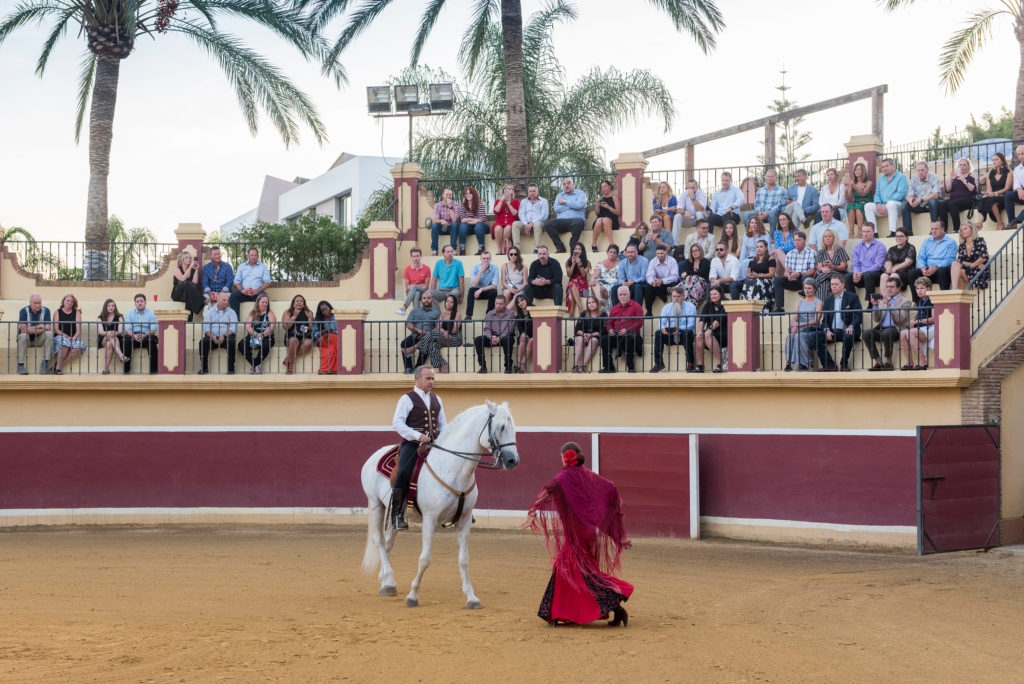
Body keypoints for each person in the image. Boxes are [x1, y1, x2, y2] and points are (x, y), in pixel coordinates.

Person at [525, 441, 632, 627]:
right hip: (588, 532)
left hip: (577, 534)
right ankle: (562, 613)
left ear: (565, 457)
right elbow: (610, 487)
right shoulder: (588, 475)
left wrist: (533, 511)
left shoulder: (563, 477)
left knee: (578, 571)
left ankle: (615, 603)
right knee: (574, 569)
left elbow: (546, 491)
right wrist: (613, 506)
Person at [390, 364, 447, 530]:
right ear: (417, 379)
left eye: (433, 378)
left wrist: (444, 439)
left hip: (434, 444)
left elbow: (442, 423)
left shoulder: (437, 399)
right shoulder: (407, 398)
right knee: (404, 471)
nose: (431, 382)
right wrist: (417, 436)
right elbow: (397, 423)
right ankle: (397, 515)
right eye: (428, 378)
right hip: (413, 444)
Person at [815, 274, 861, 372]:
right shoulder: (828, 300)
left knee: (848, 335)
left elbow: (858, 315)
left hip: (847, 330)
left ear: (843, 284)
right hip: (832, 332)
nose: (833, 286)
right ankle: (829, 365)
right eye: (832, 284)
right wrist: (826, 330)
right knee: (813, 336)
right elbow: (825, 320)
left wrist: (851, 326)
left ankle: (844, 364)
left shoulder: (852, 297)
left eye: (836, 284)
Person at [864, 277, 911, 370]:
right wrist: (875, 305)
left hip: (896, 329)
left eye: (892, 287)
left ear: (898, 288)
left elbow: (900, 318)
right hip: (882, 328)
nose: (889, 289)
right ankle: (878, 361)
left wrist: (889, 305)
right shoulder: (883, 301)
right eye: (888, 287)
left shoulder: (905, 301)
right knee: (866, 333)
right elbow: (876, 319)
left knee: (887, 332)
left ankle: (888, 362)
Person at [649, 287, 696, 372]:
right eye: (674, 296)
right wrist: (662, 329)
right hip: (671, 334)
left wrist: (680, 329)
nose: (676, 299)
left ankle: (690, 364)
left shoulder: (691, 307)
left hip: (683, 334)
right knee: (658, 333)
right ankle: (658, 363)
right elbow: (661, 322)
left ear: (683, 296)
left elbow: (691, 324)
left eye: (678, 296)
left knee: (687, 332)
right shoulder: (666, 307)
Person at [908, 220, 957, 301]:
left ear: (943, 229)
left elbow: (949, 259)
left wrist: (936, 268)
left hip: (940, 270)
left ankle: (945, 300)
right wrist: (922, 268)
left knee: (943, 271)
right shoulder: (926, 241)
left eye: (936, 229)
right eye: (932, 229)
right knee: (912, 273)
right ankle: (917, 302)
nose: (933, 231)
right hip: (927, 270)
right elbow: (921, 257)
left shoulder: (951, 242)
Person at [600, 285, 643, 373]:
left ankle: (631, 367)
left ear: (629, 295)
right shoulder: (614, 309)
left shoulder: (636, 306)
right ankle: (609, 366)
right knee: (604, 339)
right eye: (620, 295)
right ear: (618, 296)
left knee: (629, 338)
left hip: (631, 336)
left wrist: (627, 330)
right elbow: (609, 323)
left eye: (624, 294)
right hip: (617, 335)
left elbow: (639, 322)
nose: (622, 297)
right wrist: (610, 330)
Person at [782, 278, 821, 371]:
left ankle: (805, 363)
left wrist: (800, 325)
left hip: (811, 328)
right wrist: (794, 326)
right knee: (791, 336)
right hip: (800, 328)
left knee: (799, 336)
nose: (806, 290)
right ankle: (789, 363)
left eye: (809, 288)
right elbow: (794, 317)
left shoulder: (818, 302)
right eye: (805, 288)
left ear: (814, 289)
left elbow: (816, 320)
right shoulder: (799, 302)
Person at [417, 293, 462, 374]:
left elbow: (454, 331)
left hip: (455, 338)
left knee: (434, 334)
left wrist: (443, 331)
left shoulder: (457, 314)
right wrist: (428, 333)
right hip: (445, 338)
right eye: (447, 301)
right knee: (432, 345)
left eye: (451, 302)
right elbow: (438, 328)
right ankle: (443, 365)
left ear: (454, 304)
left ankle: (416, 346)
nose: (448, 303)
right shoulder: (442, 314)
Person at [772, 230, 816, 311]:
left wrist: (799, 273)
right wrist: (788, 275)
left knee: (806, 277)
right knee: (777, 279)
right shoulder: (790, 254)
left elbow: (812, 271)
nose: (796, 242)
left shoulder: (812, 253)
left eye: (799, 240)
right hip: (793, 280)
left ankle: (806, 298)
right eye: (795, 240)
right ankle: (780, 308)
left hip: (805, 280)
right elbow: (786, 271)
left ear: (804, 241)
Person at [865, 158, 908, 235]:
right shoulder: (880, 179)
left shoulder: (901, 177)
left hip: (897, 206)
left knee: (891, 204)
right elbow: (877, 194)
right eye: (883, 167)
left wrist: (886, 204)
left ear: (893, 165)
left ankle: (893, 232)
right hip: (882, 207)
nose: (884, 168)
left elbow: (901, 194)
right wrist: (878, 204)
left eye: (886, 166)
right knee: (868, 206)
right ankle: (874, 233)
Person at [473, 294, 515, 373]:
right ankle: (483, 367)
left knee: (509, 339)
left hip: (505, 337)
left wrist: (500, 338)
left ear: (505, 304)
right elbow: (487, 329)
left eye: (501, 304)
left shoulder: (510, 314)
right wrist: (491, 337)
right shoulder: (490, 314)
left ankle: (508, 367)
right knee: (478, 340)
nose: (498, 306)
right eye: (497, 303)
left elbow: (510, 329)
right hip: (492, 337)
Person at [845, 223, 886, 303]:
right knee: (848, 277)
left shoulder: (880, 246)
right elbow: (855, 264)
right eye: (863, 231)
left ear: (873, 232)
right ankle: (852, 303)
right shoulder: (856, 247)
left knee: (868, 275)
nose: (865, 234)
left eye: (868, 231)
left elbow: (878, 265)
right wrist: (856, 273)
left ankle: (870, 303)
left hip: (876, 274)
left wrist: (862, 273)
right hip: (861, 276)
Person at [198, 292, 238, 375]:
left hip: (226, 337)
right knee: (203, 343)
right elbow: (206, 328)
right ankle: (204, 368)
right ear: (217, 300)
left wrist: (223, 336)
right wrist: (213, 337)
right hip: (212, 338)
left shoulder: (232, 312)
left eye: (227, 300)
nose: (226, 302)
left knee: (232, 342)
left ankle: (231, 369)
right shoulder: (209, 312)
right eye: (224, 300)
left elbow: (233, 327)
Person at [544, 177, 587, 253]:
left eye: (568, 183)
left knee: (578, 223)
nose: (566, 185)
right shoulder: (559, 195)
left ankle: (573, 246)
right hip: (562, 222)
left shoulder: (580, 193)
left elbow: (580, 205)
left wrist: (565, 201)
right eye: (564, 184)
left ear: (573, 184)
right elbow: (556, 208)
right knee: (548, 224)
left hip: (575, 221)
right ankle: (560, 247)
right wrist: (572, 206)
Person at [401, 290, 440, 374]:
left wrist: (426, 334)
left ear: (432, 299)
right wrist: (418, 330)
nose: (426, 300)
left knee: (427, 344)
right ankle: (408, 368)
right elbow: (408, 324)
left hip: (429, 336)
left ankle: (417, 368)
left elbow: (437, 327)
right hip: (416, 335)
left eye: (428, 298)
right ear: (421, 300)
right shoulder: (415, 311)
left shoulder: (436, 313)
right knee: (404, 343)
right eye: (424, 298)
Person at [900, 277, 934, 370]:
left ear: (929, 288)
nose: (919, 291)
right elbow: (919, 315)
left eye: (922, 288)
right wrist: (913, 321)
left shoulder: (933, 299)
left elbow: (933, 319)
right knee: (903, 333)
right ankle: (909, 362)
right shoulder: (920, 301)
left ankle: (923, 362)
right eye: (917, 288)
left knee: (910, 333)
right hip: (923, 327)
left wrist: (918, 321)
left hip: (933, 327)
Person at [901, 161, 942, 235]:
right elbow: (909, 195)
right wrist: (910, 201)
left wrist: (921, 200)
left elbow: (935, 194)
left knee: (932, 201)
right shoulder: (914, 179)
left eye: (922, 170)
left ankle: (934, 230)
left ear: (927, 170)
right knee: (904, 204)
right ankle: (908, 232)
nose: (920, 172)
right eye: (918, 170)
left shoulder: (934, 177)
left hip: (932, 205)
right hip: (920, 205)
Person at [122, 292, 159, 375]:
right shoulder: (130, 314)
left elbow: (153, 329)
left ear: (145, 302)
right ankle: (126, 370)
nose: (139, 303)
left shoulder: (151, 313)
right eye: (137, 301)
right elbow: (127, 329)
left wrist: (144, 335)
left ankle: (153, 370)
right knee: (127, 340)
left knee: (152, 342)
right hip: (133, 335)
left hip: (146, 335)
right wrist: (134, 335)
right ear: (135, 303)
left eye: (141, 301)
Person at [239, 292, 275, 374]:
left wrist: (262, 335)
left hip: (266, 337)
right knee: (241, 344)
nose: (265, 304)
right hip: (253, 336)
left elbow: (272, 326)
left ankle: (255, 367)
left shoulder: (270, 313)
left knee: (266, 344)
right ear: (258, 303)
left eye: (266, 302)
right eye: (263, 302)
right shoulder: (252, 313)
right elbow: (248, 326)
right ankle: (256, 365)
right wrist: (256, 334)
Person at [16, 293, 53, 375]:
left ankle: (45, 364)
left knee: (49, 334)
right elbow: (23, 329)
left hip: (39, 339)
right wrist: (39, 326)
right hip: (27, 339)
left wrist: (29, 329)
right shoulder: (23, 311)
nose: (38, 305)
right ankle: (20, 365)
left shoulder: (46, 310)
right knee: (22, 336)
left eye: (39, 303)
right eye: (35, 303)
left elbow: (48, 328)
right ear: (30, 302)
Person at [229, 247, 271, 316]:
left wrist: (257, 291)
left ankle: (261, 320)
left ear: (258, 256)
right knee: (234, 295)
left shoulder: (263, 267)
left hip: (257, 293)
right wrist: (242, 289)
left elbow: (267, 282)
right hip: (244, 293)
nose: (253, 257)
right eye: (251, 255)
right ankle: (236, 320)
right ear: (248, 256)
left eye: (255, 255)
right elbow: (237, 281)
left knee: (264, 297)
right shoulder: (242, 266)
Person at [51, 293, 86, 375]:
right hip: (60, 336)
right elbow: (56, 329)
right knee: (65, 344)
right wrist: (66, 336)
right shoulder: (57, 312)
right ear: (63, 301)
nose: (69, 303)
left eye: (72, 301)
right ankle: (58, 369)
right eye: (68, 300)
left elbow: (78, 329)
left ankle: (56, 366)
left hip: (72, 337)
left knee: (79, 348)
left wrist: (74, 337)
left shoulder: (77, 312)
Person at [694, 285, 727, 372]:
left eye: (715, 294)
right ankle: (700, 365)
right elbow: (702, 319)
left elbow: (720, 319)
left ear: (721, 294)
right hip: (711, 332)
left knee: (708, 335)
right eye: (711, 294)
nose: (713, 296)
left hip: (724, 333)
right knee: (698, 337)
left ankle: (720, 364)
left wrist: (709, 329)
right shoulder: (708, 304)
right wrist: (700, 331)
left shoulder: (726, 303)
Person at [950, 218, 989, 289]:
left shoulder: (979, 241)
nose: (962, 231)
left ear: (972, 230)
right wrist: (969, 264)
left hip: (978, 270)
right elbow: (960, 261)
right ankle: (955, 288)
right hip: (968, 270)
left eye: (965, 229)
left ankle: (958, 292)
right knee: (955, 264)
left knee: (960, 271)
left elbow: (983, 257)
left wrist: (971, 265)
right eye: (961, 230)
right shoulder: (962, 245)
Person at [281, 294, 314, 374]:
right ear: (293, 303)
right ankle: (290, 366)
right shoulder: (288, 312)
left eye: (301, 301)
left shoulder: (308, 312)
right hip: (292, 334)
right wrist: (294, 316)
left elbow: (312, 328)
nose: (299, 303)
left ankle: (288, 358)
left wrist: (309, 318)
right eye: (297, 301)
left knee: (309, 343)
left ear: (304, 303)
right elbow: (285, 327)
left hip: (305, 334)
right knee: (293, 341)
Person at [813, 228, 849, 301]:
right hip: (826, 277)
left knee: (829, 271)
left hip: (840, 275)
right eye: (825, 237)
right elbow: (819, 268)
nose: (827, 238)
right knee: (824, 284)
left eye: (829, 236)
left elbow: (844, 267)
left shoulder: (840, 250)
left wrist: (832, 266)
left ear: (834, 238)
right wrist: (823, 269)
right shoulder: (821, 252)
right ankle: (824, 309)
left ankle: (812, 286)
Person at [737, 215, 771, 292]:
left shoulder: (765, 234)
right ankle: (743, 283)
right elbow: (743, 251)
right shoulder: (746, 235)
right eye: (752, 223)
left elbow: (768, 249)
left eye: (756, 223)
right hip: (750, 258)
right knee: (743, 263)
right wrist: (739, 263)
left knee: (749, 263)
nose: (754, 225)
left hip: (761, 257)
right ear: (749, 224)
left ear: (759, 224)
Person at [571, 295, 604, 372]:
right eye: (589, 303)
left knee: (593, 340)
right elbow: (576, 329)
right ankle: (575, 365)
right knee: (579, 338)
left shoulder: (603, 314)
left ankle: (583, 366)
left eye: (593, 302)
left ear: (597, 303)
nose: (591, 304)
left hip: (595, 337)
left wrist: (591, 335)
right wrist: (584, 335)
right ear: (587, 305)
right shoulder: (583, 314)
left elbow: (603, 330)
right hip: (583, 336)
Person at [740, 239, 776, 309]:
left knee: (757, 282)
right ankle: (748, 308)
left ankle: (762, 308)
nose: (758, 249)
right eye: (757, 247)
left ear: (765, 248)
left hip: (766, 280)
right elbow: (748, 273)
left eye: (761, 247)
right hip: (754, 279)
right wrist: (749, 275)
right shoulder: (753, 260)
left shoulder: (770, 259)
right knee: (746, 282)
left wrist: (759, 275)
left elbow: (772, 274)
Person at [944, 157, 977, 232]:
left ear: (968, 166)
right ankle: (944, 229)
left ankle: (957, 228)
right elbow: (947, 190)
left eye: (964, 165)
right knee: (941, 204)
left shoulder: (971, 176)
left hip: (967, 200)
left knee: (952, 203)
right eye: (960, 165)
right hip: (954, 200)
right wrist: (950, 178)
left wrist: (963, 180)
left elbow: (973, 190)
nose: (962, 167)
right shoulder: (955, 177)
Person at [644, 245, 679, 316]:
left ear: (666, 252)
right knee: (648, 287)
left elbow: (675, 277)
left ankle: (673, 311)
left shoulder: (672, 261)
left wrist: (662, 281)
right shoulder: (653, 261)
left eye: (661, 253)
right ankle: (649, 311)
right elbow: (649, 275)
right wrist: (652, 282)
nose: (659, 255)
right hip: (657, 283)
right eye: (657, 253)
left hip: (669, 283)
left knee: (673, 285)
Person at [979, 152, 1010, 229]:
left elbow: (1007, 188)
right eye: (993, 160)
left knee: (992, 200)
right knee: (983, 199)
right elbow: (990, 190)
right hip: (993, 196)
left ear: (1002, 161)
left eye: (996, 159)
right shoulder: (991, 174)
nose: (994, 161)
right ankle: (980, 223)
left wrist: (994, 193)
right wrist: (988, 193)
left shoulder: (1009, 172)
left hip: (1004, 196)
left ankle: (999, 223)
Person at [514, 183, 549, 252]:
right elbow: (521, 214)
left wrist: (532, 223)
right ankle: (516, 249)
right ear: (528, 192)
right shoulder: (524, 201)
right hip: (526, 223)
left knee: (537, 224)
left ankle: (537, 248)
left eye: (534, 191)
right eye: (530, 191)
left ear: (537, 191)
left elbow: (544, 215)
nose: (532, 193)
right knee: (515, 224)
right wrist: (526, 224)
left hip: (538, 223)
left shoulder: (544, 201)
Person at [465, 251, 499, 319]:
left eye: (487, 258)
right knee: (471, 290)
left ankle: (489, 315)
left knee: (494, 291)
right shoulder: (475, 267)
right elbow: (473, 284)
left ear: (490, 259)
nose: (486, 260)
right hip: (477, 293)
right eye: (484, 258)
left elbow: (494, 285)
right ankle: (469, 315)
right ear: (481, 259)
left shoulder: (495, 268)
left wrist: (481, 289)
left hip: (487, 291)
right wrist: (480, 271)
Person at [397, 247, 431, 315]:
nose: (416, 258)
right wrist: (419, 286)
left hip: (423, 291)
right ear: (411, 257)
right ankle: (417, 314)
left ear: (420, 256)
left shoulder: (427, 268)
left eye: (417, 256)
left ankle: (404, 308)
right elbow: (407, 287)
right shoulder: (407, 269)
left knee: (415, 288)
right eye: (414, 256)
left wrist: (414, 286)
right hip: (410, 292)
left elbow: (426, 286)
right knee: (417, 293)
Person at [97, 298, 127, 374]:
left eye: (113, 306)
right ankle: (121, 355)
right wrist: (109, 332)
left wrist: (114, 333)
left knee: (110, 344)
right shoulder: (100, 318)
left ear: (115, 307)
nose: (111, 307)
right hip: (103, 338)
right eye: (109, 306)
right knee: (110, 336)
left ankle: (106, 369)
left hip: (116, 338)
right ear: (105, 307)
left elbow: (120, 330)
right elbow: (101, 332)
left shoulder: (120, 317)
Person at [171, 251, 203, 321]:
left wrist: (196, 270)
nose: (189, 259)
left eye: (190, 258)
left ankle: (189, 321)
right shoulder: (177, 269)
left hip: (187, 295)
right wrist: (191, 266)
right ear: (182, 259)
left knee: (189, 296)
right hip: (177, 294)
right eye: (186, 258)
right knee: (188, 283)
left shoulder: (192, 270)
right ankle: (201, 301)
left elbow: (195, 283)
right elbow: (182, 279)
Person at [883, 227, 917, 292]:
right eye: (897, 236)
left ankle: (893, 300)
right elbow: (888, 261)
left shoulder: (910, 247)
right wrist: (888, 268)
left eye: (901, 236)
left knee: (893, 275)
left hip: (906, 273)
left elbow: (908, 262)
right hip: (893, 271)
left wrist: (895, 268)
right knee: (884, 276)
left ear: (907, 237)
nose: (898, 238)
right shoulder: (891, 249)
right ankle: (884, 300)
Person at [457, 186, 488, 256]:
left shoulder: (480, 205)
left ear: (474, 194)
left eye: (470, 193)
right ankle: (462, 249)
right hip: (470, 227)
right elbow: (462, 219)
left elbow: (480, 219)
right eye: (466, 193)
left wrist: (467, 219)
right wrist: (474, 220)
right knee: (462, 226)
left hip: (482, 227)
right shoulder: (462, 206)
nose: (468, 195)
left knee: (478, 226)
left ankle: (481, 248)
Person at [591, 244, 621, 310]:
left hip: (613, 284)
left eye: (614, 252)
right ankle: (599, 299)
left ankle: (599, 307)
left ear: (617, 255)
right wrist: (592, 278)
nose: (612, 254)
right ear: (607, 252)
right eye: (610, 252)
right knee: (595, 283)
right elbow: (596, 274)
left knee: (599, 288)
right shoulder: (601, 263)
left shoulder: (620, 264)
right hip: (602, 284)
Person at [592, 180, 620, 252]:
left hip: (611, 219)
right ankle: (594, 244)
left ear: (609, 187)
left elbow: (618, 212)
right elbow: (597, 213)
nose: (603, 189)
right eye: (602, 187)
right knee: (598, 221)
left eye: (605, 186)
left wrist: (608, 207)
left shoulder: (614, 198)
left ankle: (611, 244)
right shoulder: (600, 198)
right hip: (601, 219)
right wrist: (597, 205)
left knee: (605, 220)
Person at [846, 162, 874, 235]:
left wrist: (854, 187)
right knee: (851, 207)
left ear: (863, 171)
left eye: (859, 169)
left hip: (866, 202)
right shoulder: (853, 183)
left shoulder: (869, 182)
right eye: (855, 170)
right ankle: (851, 232)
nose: (857, 171)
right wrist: (846, 189)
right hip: (856, 203)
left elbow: (864, 193)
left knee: (858, 208)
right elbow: (848, 197)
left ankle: (859, 231)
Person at [492, 183, 520, 255]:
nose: (508, 190)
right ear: (503, 191)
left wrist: (509, 203)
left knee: (507, 228)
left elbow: (515, 214)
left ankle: (505, 247)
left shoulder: (516, 201)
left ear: (512, 191)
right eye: (507, 189)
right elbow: (496, 211)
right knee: (498, 228)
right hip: (500, 222)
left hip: (511, 222)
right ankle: (499, 248)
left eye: (510, 189)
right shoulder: (498, 201)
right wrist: (501, 201)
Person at [430, 188, 460, 255]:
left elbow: (455, 219)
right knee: (434, 225)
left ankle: (453, 249)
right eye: (447, 194)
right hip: (442, 227)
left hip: (452, 228)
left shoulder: (456, 205)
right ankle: (435, 250)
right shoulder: (438, 205)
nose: (449, 196)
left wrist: (450, 207)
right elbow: (435, 219)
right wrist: (441, 220)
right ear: (443, 195)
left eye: (450, 195)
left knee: (454, 224)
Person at [565, 243, 591, 317]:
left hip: (584, 287)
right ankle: (580, 308)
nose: (577, 251)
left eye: (579, 249)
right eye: (576, 249)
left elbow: (584, 275)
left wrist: (579, 263)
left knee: (572, 287)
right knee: (572, 285)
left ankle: (571, 316)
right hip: (572, 286)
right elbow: (569, 274)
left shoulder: (587, 262)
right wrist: (573, 264)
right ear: (573, 251)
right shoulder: (568, 262)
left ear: (582, 251)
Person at [313, 300, 337, 375]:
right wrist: (324, 332)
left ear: (329, 307)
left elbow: (341, 330)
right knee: (332, 340)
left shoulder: (337, 316)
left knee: (332, 345)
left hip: (334, 338)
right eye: (322, 311)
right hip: (322, 339)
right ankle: (330, 369)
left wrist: (331, 332)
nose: (325, 312)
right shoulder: (319, 319)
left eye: (326, 309)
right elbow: (314, 334)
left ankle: (326, 369)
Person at [512, 293, 534, 373]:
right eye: (518, 302)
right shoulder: (518, 315)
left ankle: (522, 364)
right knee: (522, 339)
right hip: (524, 335)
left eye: (522, 300)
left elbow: (533, 324)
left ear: (526, 300)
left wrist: (525, 333)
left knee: (531, 340)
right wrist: (523, 333)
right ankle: (518, 364)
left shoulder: (534, 310)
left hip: (535, 334)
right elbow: (520, 328)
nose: (521, 303)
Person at [1004, 144, 1024, 228]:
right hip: (1022, 194)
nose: (1021, 156)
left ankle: (1018, 219)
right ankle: (1012, 222)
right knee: (1008, 195)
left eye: (1023, 153)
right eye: (1019, 154)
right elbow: (1016, 184)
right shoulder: (1017, 169)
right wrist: (1019, 190)